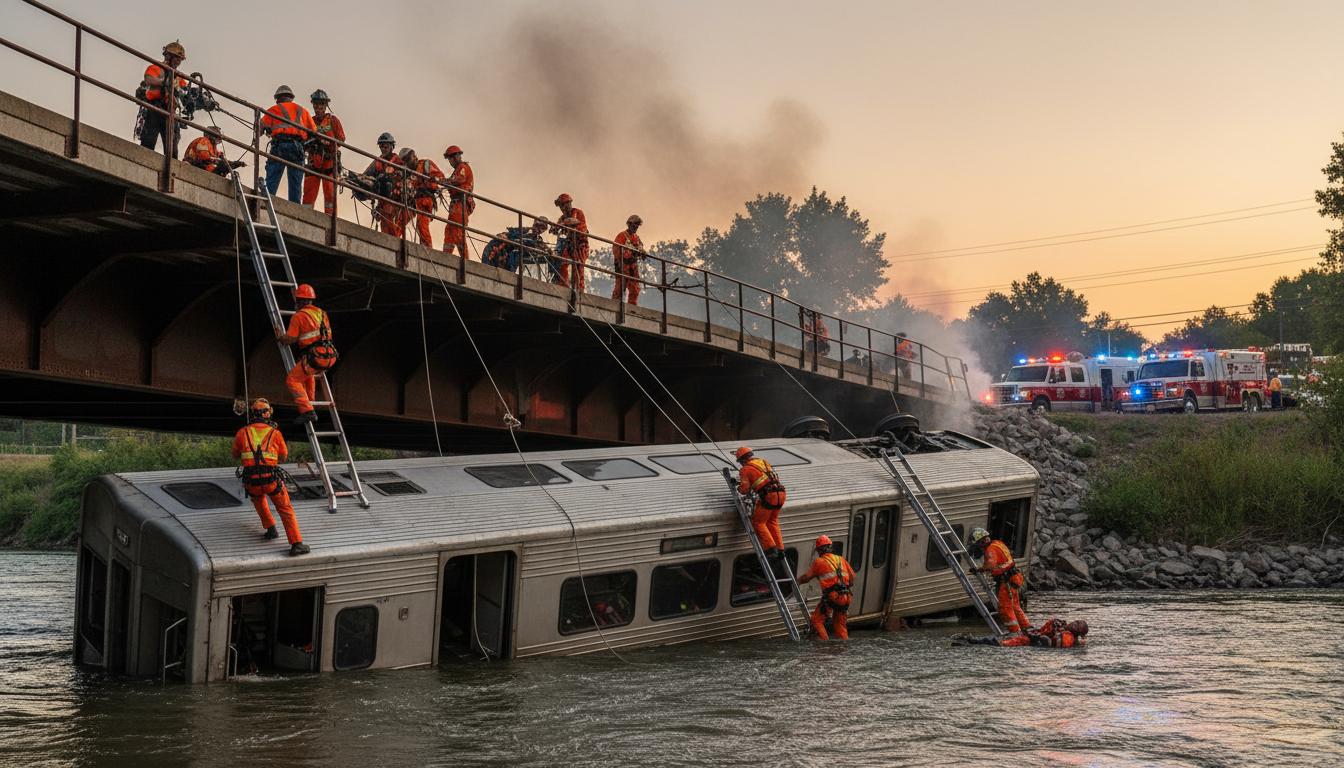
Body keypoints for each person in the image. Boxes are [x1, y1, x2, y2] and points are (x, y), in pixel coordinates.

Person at [231, 397, 308, 556]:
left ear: (253, 414)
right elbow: (284, 457)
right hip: (271, 480)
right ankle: (296, 544)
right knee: (285, 509)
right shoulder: (275, 433)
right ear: (267, 414)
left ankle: (271, 529)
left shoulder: (242, 432)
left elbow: (235, 454)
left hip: (251, 480)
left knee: (259, 501)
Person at [275, 284, 338, 425]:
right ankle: (310, 402)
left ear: (299, 301)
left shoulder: (299, 316)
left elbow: (290, 339)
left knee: (292, 380)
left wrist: (280, 337)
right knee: (307, 374)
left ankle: (308, 411)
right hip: (328, 356)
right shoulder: (322, 313)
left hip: (316, 356)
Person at [966, 527, 1031, 635]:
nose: (979, 547)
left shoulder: (990, 549)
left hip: (1007, 580)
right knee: (1015, 606)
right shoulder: (998, 543)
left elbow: (990, 565)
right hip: (1014, 577)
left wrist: (979, 569)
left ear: (981, 541)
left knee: (1005, 608)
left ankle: (1014, 632)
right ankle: (1027, 628)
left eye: (978, 544)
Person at [260, 85, 316, 203]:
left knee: (272, 177)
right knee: (296, 182)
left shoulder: (273, 109)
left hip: (279, 146)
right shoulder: (303, 111)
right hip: (297, 148)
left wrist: (266, 130)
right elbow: (314, 133)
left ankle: (266, 202)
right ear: (291, 98)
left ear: (278, 98)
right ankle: (294, 208)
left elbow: (259, 128)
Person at [735, 446, 788, 571]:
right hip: (781, 494)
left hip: (769, 496)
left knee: (759, 522)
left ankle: (771, 551)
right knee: (772, 521)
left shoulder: (745, 469)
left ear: (742, 460)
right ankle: (780, 550)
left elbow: (744, 489)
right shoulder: (764, 462)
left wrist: (737, 487)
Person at [797, 535, 856, 640]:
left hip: (832, 597)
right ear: (830, 547)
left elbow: (806, 578)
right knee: (839, 625)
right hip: (846, 597)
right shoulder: (840, 559)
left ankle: (825, 644)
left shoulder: (819, 562)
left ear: (819, 550)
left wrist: (797, 581)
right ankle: (843, 647)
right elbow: (852, 579)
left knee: (816, 620)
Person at [136, 40, 189, 156]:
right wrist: (165, 82)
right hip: (154, 108)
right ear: (168, 56)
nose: (178, 62)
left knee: (172, 149)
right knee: (148, 142)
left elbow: (186, 91)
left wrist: (199, 97)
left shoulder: (178, 76)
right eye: (176, 58)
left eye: (180, 60)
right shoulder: (156, 68)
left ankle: (171, 170)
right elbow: (149, 79)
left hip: (170, 112)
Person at [301, 89, 345, 215]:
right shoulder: (309, 121)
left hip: (329, 163)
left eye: (321, 104)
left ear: (326, 106)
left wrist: (327, 141)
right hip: (313, 161)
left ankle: (330, 222)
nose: (318, 107)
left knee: (330, 195)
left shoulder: (333, 121)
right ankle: (306, 217)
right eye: (316, 104)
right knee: (308, 194)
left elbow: (341, 139)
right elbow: (303, 139)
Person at [398, 148, 444, 247]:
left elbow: (440, 176)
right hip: (414, 200)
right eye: (405, 161)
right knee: (400, 220)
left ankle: (427, 250)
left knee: (421, 226)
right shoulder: (407, 172)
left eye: (409, 159)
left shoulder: (425, 165)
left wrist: (432, 180)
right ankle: (394, 242)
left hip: (426, 199)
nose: (408, 162)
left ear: (413, 156)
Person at [364, 133, 405, 236]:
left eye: (386, 146)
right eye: (381, 146)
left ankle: (394, 245)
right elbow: (366, 174)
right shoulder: (378, 161)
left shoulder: (398, 161)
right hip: (383, 200)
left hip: (395, 199)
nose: (383, 149)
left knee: (391, 225)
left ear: (392, 146)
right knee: (384, 224)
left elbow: (404, 177)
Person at [954, 617, 1087, 648]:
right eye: (1075, 622)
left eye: (1076, 625)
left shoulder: (1067, 637)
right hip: (1028, 639)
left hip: (1028, 642)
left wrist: (1034, 636)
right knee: (1001, 641)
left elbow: (1050, 642)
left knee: (1002, 643)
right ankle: (973, 641)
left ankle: (971, 643)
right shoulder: (1062, 628)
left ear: (1078, 632)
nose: (1073, 624)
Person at [441, 146, 475, 257]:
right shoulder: (457, 169)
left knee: (458, 233)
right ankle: (446, 257)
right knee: (449, 232)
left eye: (450, 159)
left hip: (461, 204)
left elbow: (458, 179)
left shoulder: (463, 167)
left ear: (456, 157)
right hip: (456, 205)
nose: (450, 162)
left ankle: (465, 261)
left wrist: (443, 181)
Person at [551, 193, 589, 291]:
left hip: (580, 246)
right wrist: (554, 228)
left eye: (563, 205)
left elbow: (583, 229)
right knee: (562, 263)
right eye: (560, 206)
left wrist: (570, 224)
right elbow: (557, 228)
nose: (562, 208)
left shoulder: (578, 213)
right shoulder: (562, 218)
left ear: (569, 204)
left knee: (578, 269)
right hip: (568, 245)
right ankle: (564, 288)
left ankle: (579, 293)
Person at [482, 217, 548, 272]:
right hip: (506, 248)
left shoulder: (538, 240)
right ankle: (486, 265)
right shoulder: (524, 230)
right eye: (537, 226)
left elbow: (545, 249)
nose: (538, 229)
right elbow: (510, 233)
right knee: (495, 242)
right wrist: (504, 235)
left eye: (542, 228)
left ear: (544, 230)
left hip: (514, 254)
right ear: (534, 224)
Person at [611, 215, 645, 306]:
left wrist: (642, 253)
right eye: (634, 226)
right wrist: (628, 254)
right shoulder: (622, 236)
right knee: (620, 287)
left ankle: (632, 306)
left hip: (633, 267)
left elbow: (641, 248)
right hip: (622, 265)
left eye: (637, 226)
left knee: (635, 288)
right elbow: (616, 250)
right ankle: (614, 304)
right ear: (629, 225)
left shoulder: (637, 238)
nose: (635, 228)